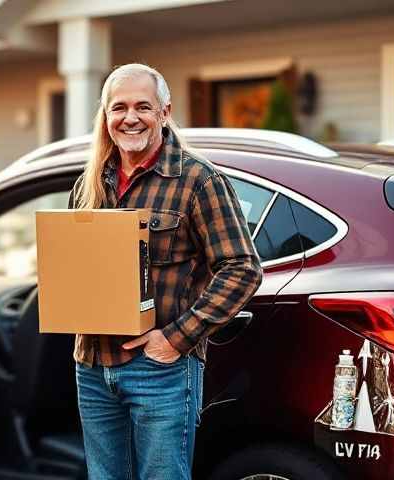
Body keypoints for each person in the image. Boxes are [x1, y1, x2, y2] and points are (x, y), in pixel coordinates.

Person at [68, 63, 263, 480]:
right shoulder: (88, 184)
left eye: (143, 106)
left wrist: (176, 339)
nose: (130, 117)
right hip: (93, 366)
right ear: (105, 116)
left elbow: (242, 268)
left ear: (165, 112)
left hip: (160, 369)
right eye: (118, 107)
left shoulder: (198, 180)